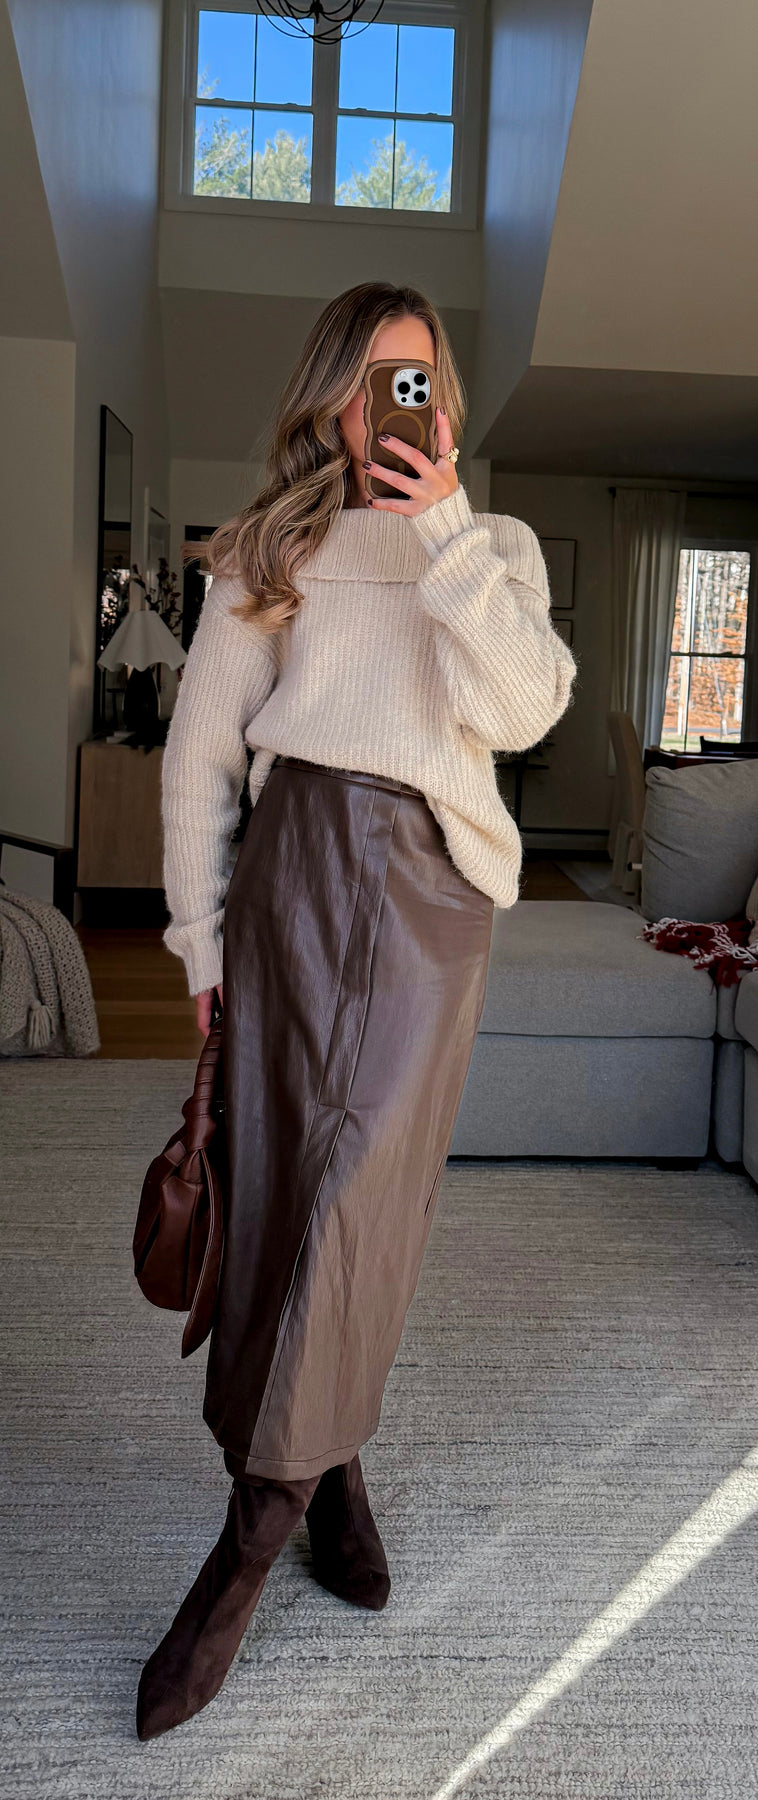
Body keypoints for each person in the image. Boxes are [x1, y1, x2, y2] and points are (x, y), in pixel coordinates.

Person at [135, 281, 577, 1740]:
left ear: (444, 403)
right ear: (331, 396)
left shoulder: (493, 547)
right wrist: (199, 947)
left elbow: (523, 710)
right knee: (278, 1194)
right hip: (291, 876)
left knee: (359, 1203)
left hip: (429, 896)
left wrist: (445, 529)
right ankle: (330, 1477)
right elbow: (202, 758)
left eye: (422, 377)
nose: (400, 401)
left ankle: (251, 1539)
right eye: (376, 378)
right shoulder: (269, 548)